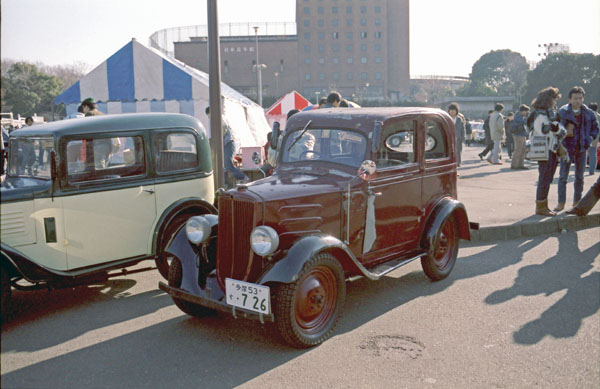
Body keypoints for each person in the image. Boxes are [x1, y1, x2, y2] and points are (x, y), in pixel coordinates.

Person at [554, 86, 599, 212]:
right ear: (570, 99)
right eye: (575, 98)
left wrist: (590, 138)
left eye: (580, 98)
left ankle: (577, 202)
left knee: (580, 177)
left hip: (582, 148)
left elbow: (596, 127)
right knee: (563, 176)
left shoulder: (589, 112)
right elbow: (556, 128)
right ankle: (561, 202)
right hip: (566, 148)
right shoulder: (563, 112)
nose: (578, 101)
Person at [529, 86, 562, 216]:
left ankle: (544, 205)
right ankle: (541, 207)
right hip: (544, 148)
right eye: (555, 99)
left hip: (549, 147)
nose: (556, 101)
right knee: (545, 177)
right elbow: (541, 129)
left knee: (547, 177)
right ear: (549, 99)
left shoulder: (546, 111)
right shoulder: (541, 113)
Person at [206, 106, 249, 186]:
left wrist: (218, 142)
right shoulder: (217, 120)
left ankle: (244, 178)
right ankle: (224, 183)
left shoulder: (221, 119)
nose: (210, 118)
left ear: (212, 113)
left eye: (209, 116)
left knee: (228, 164)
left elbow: (224, 131)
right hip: (225, 144)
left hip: (229, 143)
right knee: (220, 165)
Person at [511, 104, 530, 170]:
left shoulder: (519, 115)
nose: (526, 113)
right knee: (518, 150)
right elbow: (524, 122)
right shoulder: (518, 116)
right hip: (518, 135)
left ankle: (520, 165)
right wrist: (527, 117)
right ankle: (514, 165)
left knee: (523, 150)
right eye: (525, 111)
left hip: (522, 134)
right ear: (522, 111)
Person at [588, 102, 599, 175]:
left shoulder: (588, 115)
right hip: (596, 136)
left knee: (584, 152)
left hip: (587, 135)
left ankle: (581, 169)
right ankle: (592, 170)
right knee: (593, 152)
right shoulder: (599, 116)